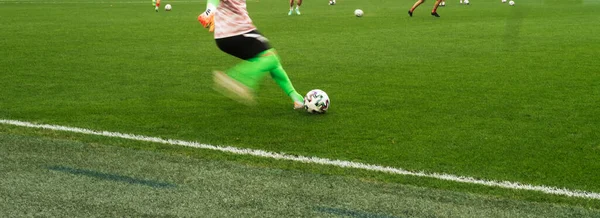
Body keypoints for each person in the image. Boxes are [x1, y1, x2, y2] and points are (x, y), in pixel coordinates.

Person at [198, 0, 305, 109]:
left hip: (231, 34)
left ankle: (296, 98)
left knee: (273, 62)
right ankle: (239, 78)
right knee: (271, 58)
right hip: (236, 32)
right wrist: (209, 11)